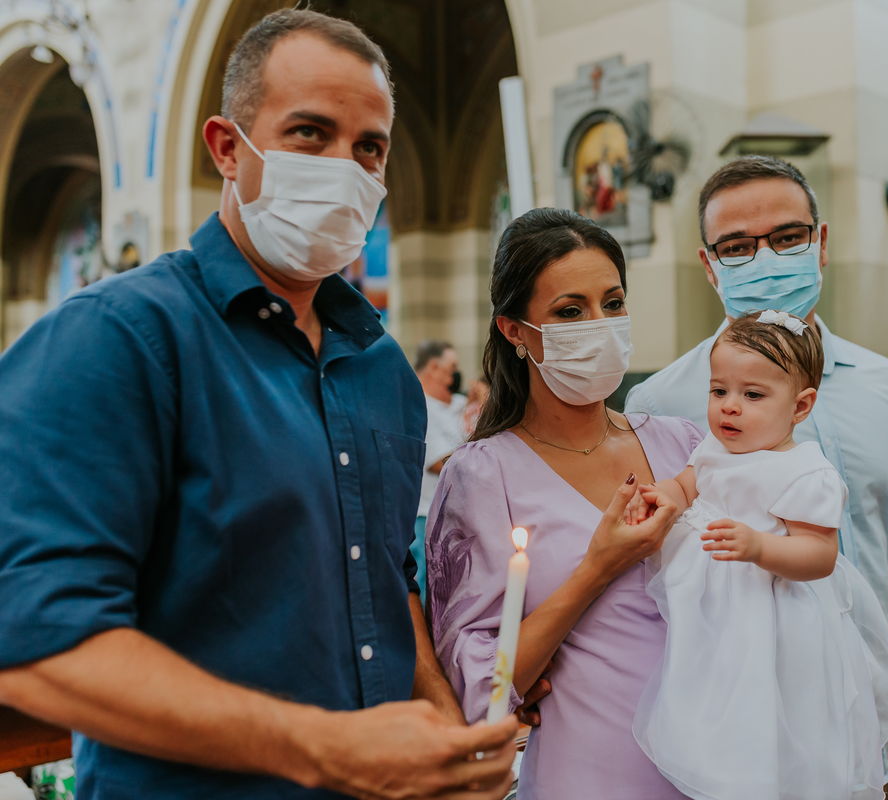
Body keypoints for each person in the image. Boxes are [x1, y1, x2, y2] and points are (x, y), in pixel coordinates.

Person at [0, 10, 516, 799]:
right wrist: (321, 747)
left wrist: (447, 728)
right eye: (310, 133)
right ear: (227, 148)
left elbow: (382, 579)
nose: (346, 168)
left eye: (369, 147)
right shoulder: (120, 339)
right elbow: (35, 641)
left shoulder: (380, 370)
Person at [623, 155, 888, 797]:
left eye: (786, 238)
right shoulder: (661, 403)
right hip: (734, 731)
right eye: (737, 247)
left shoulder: (886, 386)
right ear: (709, 265)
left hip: (876, 720)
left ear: (822, 243)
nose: (765, 259)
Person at [426, 208, 702, 799]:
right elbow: (484, 688)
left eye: (614, 302)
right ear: (514, 330)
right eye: (571, 311)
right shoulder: (482, 475)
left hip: (714, 763)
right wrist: (597, 568)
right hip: (591, 771)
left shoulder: (684, 444)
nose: (599, 325)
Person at [626, 311, 888, 800]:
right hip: (711, 613)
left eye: (752, 395)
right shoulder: (714, 447)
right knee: (709, 697)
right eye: (719, 391)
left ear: (801, 406)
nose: (729, 408)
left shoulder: (805, 472)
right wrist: (667, 494)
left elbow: (818, 554)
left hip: (774, 620)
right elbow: (688, 482)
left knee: (770, 715)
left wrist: (760, 546)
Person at [413, 339, 467, 599]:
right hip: (425, 517)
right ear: (434, 368)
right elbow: (437, 462)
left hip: (455, 516)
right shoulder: (418, 404)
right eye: (452, 366)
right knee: (426, 590)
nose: (456, 373)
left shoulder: (460, 404)